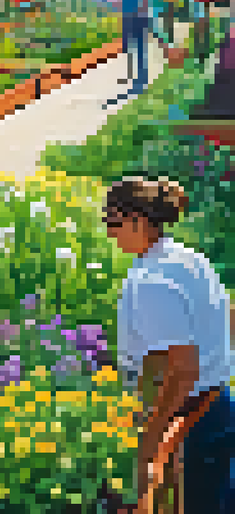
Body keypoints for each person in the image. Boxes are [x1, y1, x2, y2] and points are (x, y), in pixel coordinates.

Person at [105, 178, 233, 512]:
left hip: (188, 421)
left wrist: (150, 439)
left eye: (113, 222)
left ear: (138, 220)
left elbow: (183, 370)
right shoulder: (185, 257)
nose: (110, 233)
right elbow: (227, 317)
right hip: (217, 404)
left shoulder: (153, 282)